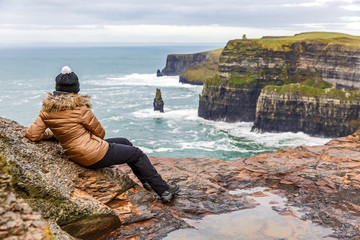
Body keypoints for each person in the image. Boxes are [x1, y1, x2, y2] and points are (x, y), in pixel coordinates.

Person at [25, 66, 180, 203]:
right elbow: (100, 133)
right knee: (137, 154)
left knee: (125, 142)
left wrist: (53, 135)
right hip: (93, 155)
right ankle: (164, 191)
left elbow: (32, 134)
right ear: (76, 89)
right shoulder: (80, 109)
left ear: (57, 88)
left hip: (75, 154)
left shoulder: (46, 110)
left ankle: (146, 180)